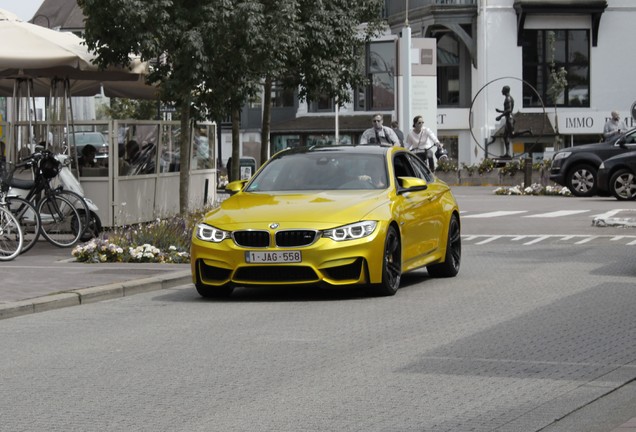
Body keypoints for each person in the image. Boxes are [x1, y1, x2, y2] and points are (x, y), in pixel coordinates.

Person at [496, 85, 514, 158]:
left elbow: (509, 110)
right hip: (508, 119)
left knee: (512, 135)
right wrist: (500, 111)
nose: (501, 91)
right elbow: (507, 110)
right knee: (505, 136)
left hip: (509, 119)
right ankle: (507, 153)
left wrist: (500, 116)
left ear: (505, 91)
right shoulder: (508, 98)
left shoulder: (508, 99)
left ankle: (527, 131)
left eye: (502, 90)